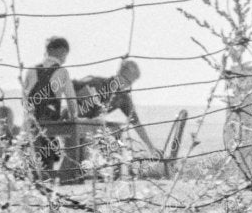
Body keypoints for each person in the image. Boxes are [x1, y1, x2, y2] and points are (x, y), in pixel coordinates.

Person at [74, 58, 164, 166]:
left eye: (131, 83)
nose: (128, 86)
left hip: (93, 128)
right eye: (128, 81)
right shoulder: (96, 82)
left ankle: (112, 165)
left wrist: (151, 148)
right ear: (118, 74)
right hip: (73, 124)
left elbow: (136, 123)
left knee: (119, 136)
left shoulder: (122, 98)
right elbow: (71, 86)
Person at [21, 35, 81, 182]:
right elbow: (71, 99)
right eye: (66, 55)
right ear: (62, 52)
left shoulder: (31, 70)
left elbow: (24, 97)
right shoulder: (62, 72)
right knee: (52, 145)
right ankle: (64, 176)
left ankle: (37, 178)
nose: (65, 59)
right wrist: (74, 117)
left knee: (37, 151)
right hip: (51, 120)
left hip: (32, 120)